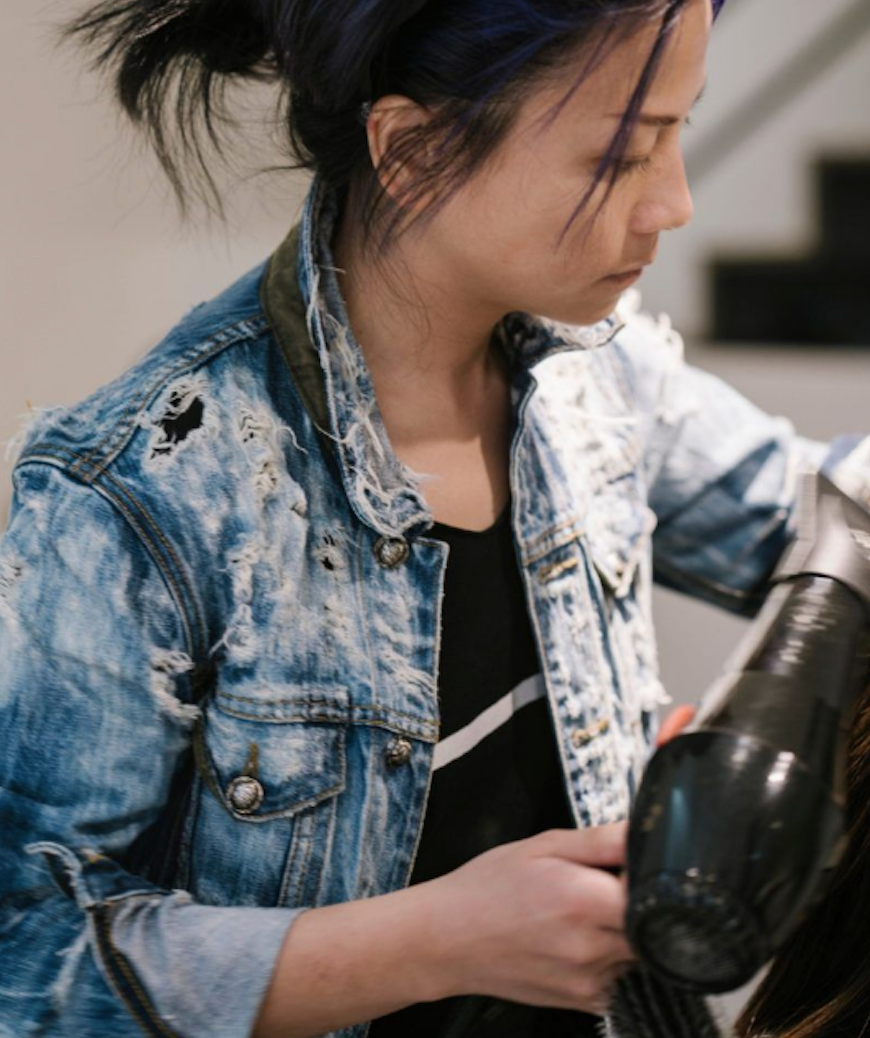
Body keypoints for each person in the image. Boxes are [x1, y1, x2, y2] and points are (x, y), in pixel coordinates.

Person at [1, 0, 868, 1036]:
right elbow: (26, 959)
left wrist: (760, 709)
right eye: (622, 156)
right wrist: (435, 941)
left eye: (679, 132)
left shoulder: (601, 381)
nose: (674, 202)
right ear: (414, 152)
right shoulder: (143, 491)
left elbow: (835, 502)